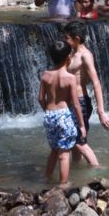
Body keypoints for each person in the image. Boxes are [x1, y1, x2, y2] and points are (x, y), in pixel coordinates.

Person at [61, 21, 109, 166]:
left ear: (77, 38)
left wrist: (101, 112)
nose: (64, 40)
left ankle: (98, 170)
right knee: (76, 141)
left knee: (78, 141)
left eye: (67, 38)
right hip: (71, 102)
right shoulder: (73, 53)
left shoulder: (85, 56)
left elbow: (96, 83)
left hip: (81, 103)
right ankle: (78, 169)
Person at [39, 40, 85, 187]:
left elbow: (40, 98)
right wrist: (82, 125)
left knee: (54, 150)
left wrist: (47, 110)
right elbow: (76, 104)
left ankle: (46, 178)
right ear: (68, 58)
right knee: (64, 154)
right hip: (64, 115)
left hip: (49, 114)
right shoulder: (70, 78)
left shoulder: (46, 75)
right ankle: (63, 184)